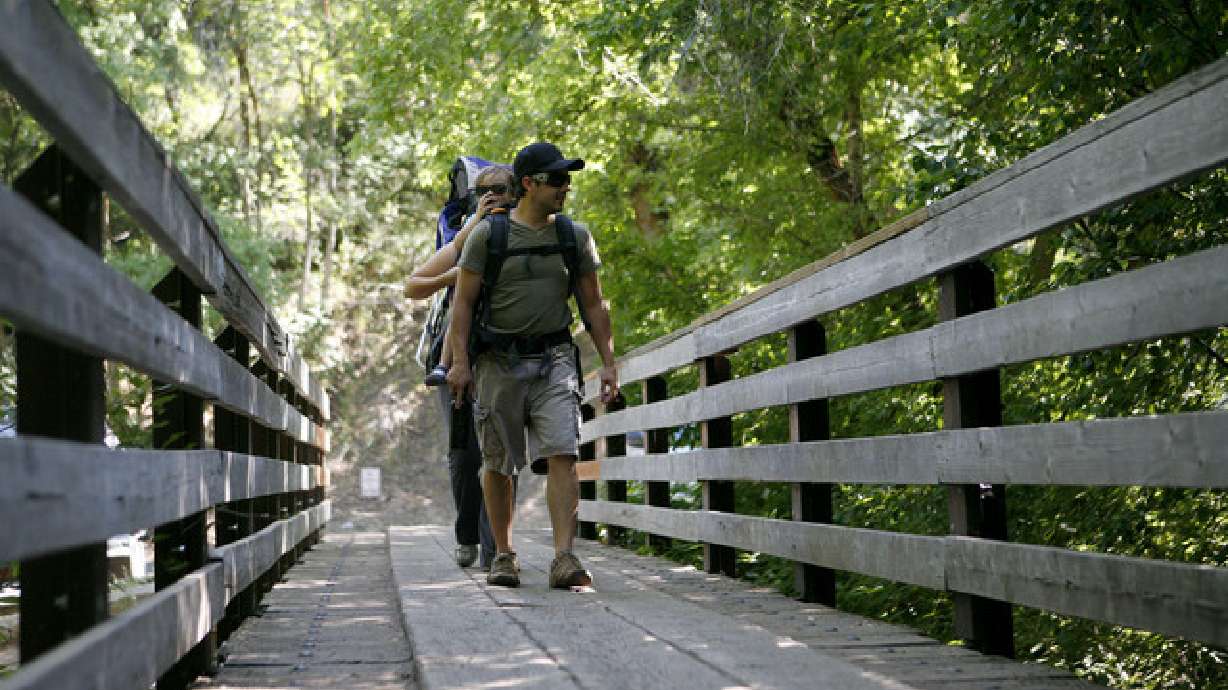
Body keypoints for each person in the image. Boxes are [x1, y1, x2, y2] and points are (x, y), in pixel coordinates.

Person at [446, 142, 619, 589]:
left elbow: (594, 305)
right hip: (496, 361)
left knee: (563, 450)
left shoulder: (573, 236)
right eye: (556, 179)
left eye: (567, 178)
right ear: (529, 184)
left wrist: (609, 362)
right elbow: (462, 305)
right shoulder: (490, 235)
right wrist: (460, 363)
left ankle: (564, 557)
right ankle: (503, 554)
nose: (565, 186)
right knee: (499, 462)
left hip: (555, 358)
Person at [405, 164, 516, 569]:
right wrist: (461, 268)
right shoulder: (466, 232)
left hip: (504, 356)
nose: (496, 197)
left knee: (499, 452)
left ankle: (495, 551)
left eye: (504, 189)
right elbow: (413, 285)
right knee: (464, 454)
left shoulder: (530, 229)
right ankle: (467, 534)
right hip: (454, 353)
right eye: (486, 191)